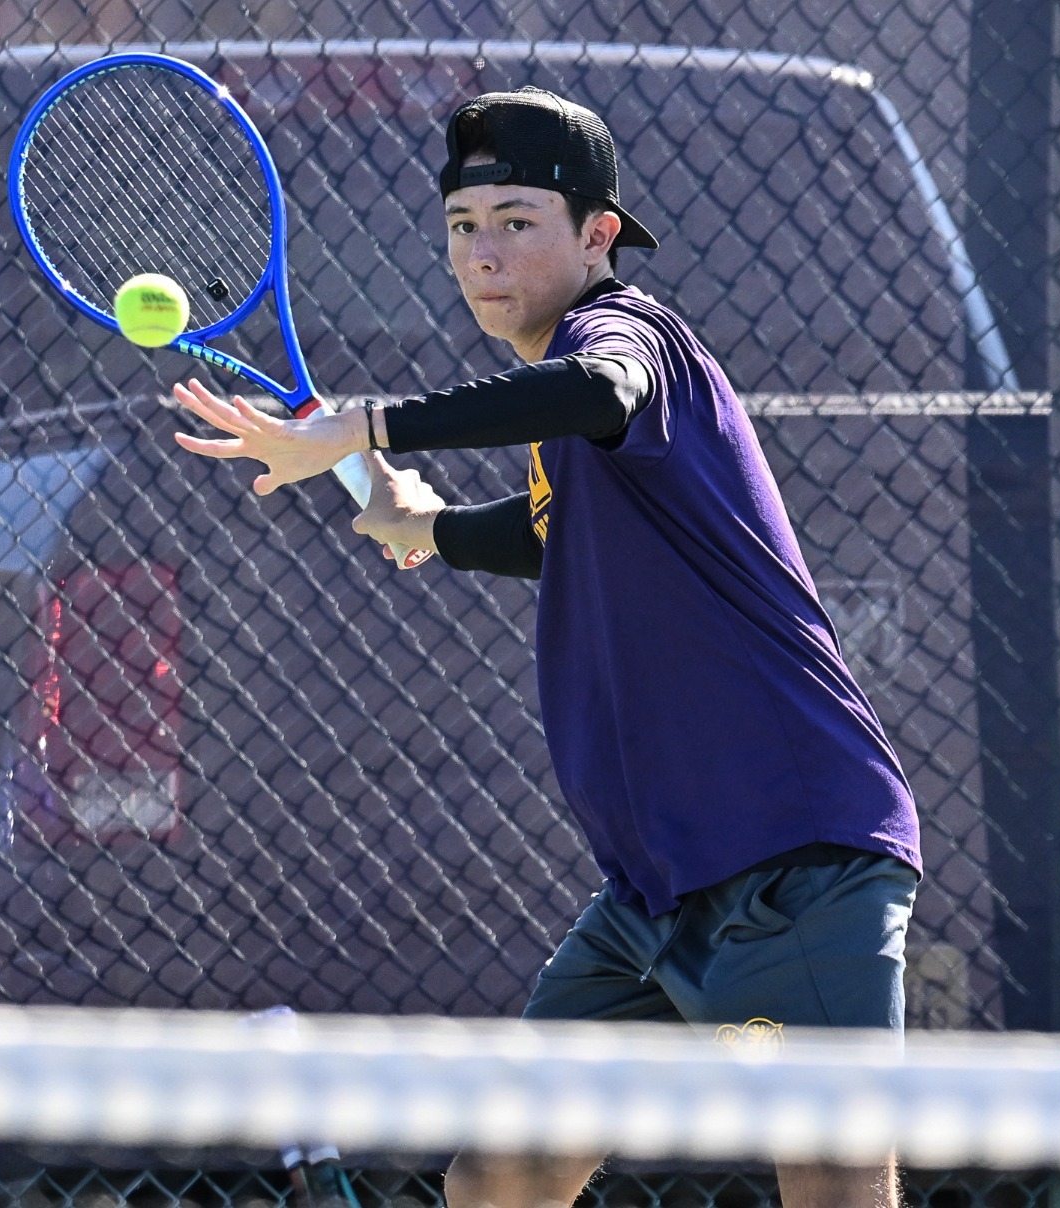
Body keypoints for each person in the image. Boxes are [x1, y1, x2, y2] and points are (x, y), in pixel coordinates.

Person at [167, 85, 923, 1208]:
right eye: (462, 227)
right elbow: (559, 534)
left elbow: (589, 389)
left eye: (517, 221)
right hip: (651, 885)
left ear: (596, 233)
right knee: (502, 1177)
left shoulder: (625, 340)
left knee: (831, 1185)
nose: (483, 252)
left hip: (788, 855)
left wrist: (367, 423)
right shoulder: (580, 415)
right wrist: (422, 524)